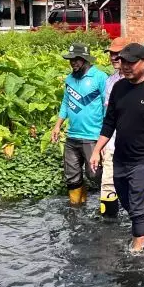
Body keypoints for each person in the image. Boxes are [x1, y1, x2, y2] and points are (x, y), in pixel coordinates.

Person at [90, 43, 144, 253]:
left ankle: (137, 251)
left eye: (131, 62)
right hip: (121, 154)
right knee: (124, 196)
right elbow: (109, 122)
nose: (125, 66)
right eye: (123, 62)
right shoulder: (119, 88)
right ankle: (142, 225)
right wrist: (96, 150)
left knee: (138, 201)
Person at [51, 43, 108, 206]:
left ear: (85, 59)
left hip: (93, 137)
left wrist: (105, 139)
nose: (73, 63)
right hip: (72, 136)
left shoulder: (100, 77)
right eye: (71, 60)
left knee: (94, 174)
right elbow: (66, 103)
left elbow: (107, 107)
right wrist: (57, 125)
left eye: (77, 59)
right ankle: (77, 209)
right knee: (72, 176)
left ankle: (111, 205)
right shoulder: (70, 79)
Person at [100, 36, 127, 218]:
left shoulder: (141, 80)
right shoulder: (109, 81)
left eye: (118, 54)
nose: (114, 57)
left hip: (135, 144)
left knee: (139, 185)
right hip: (112, 141)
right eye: (112, 54)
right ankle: (108, 227)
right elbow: (107, 115)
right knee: (108, 183)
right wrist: (101, 144)